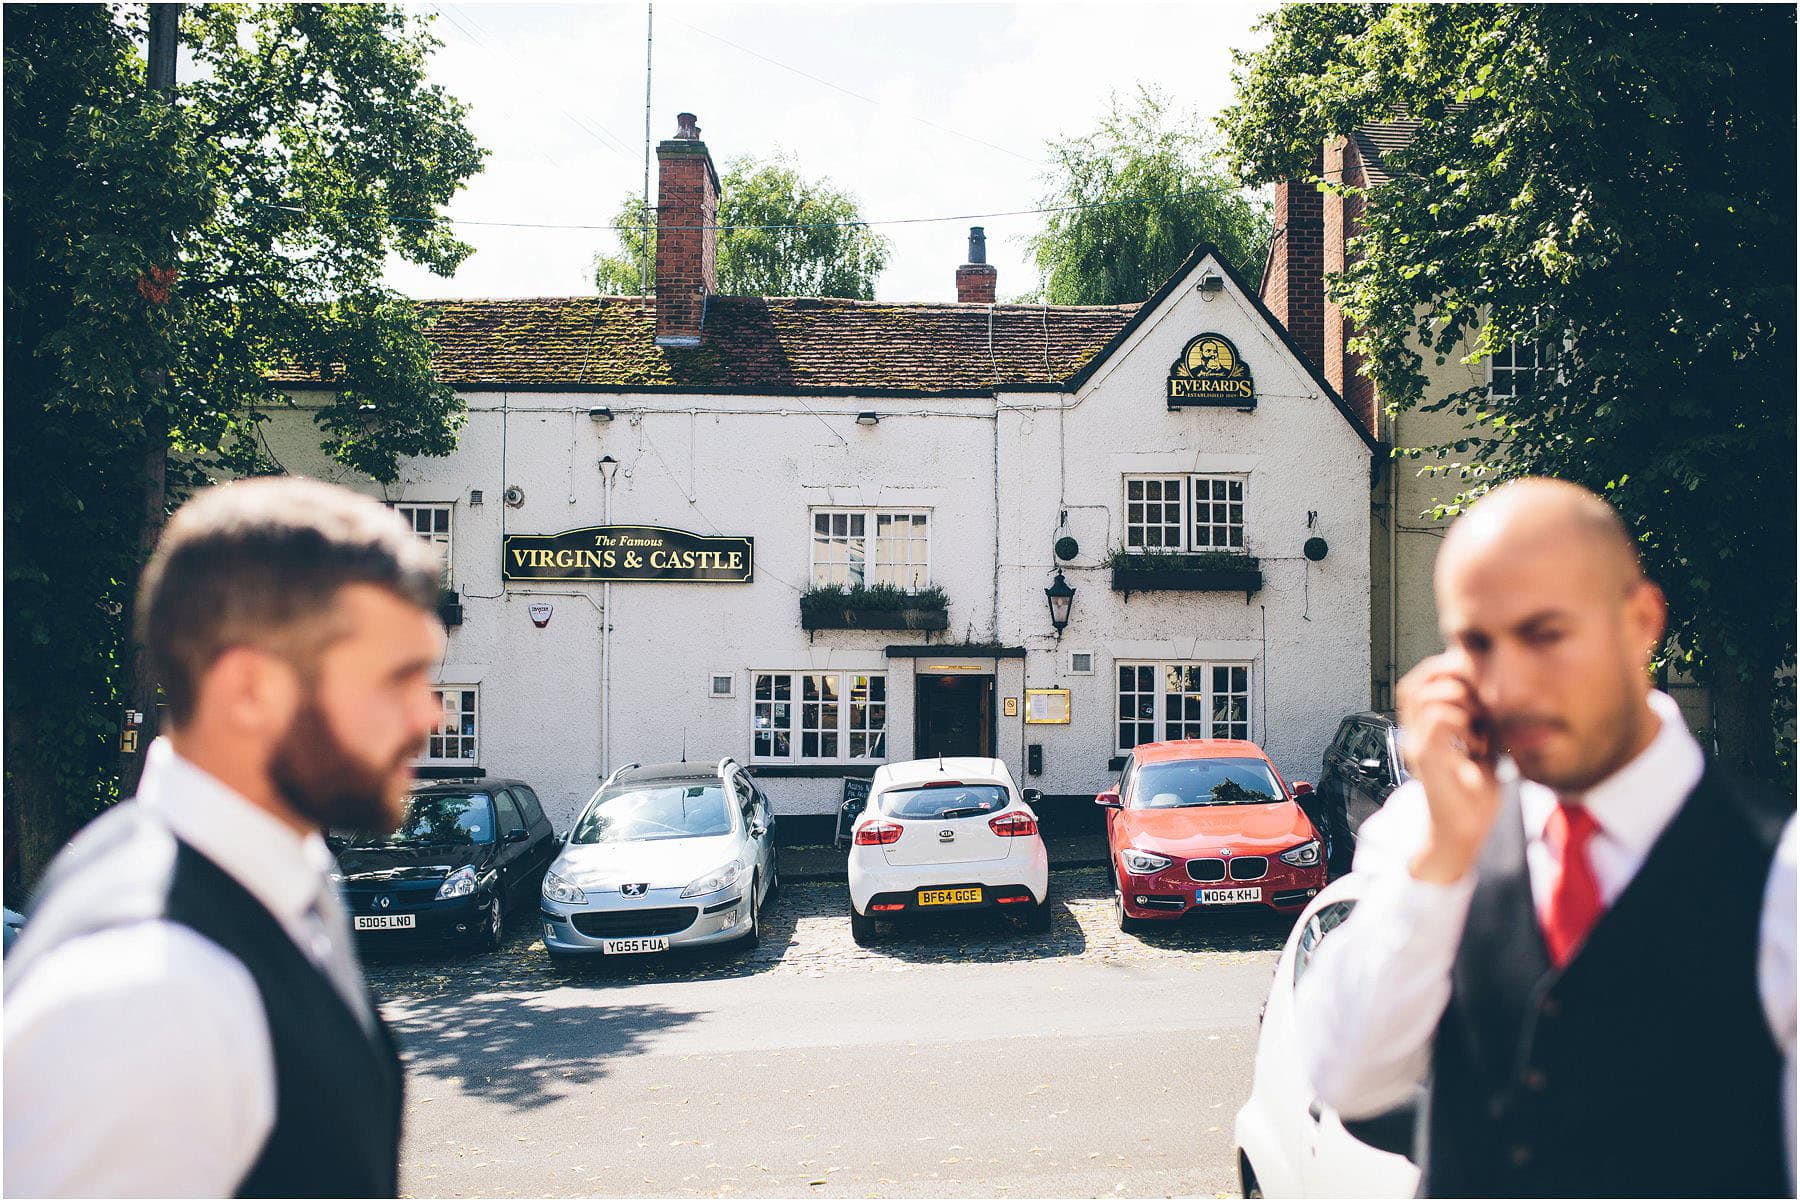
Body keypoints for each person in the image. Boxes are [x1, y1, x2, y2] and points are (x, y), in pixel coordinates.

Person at [1297, 477, 1795, 1197]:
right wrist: (1440, 865)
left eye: (1545, 635)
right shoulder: (1424, 832)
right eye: (1475, 643)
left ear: (1642, 621)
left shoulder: (1780, 876)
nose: (1510, 685)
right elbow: (1346, 1076)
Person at [4, 478, 447, 1197]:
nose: (432, 718)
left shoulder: (272, 869)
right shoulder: (148, 994)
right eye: (397, 678)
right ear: (248, 690)